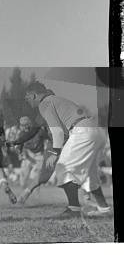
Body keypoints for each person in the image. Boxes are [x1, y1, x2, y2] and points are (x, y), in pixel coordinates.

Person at [24, 81, 112, 217]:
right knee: (90, 174)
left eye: (27, 97)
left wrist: (54, 152)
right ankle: (104, 209)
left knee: (62, 167)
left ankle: (74, 209)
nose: (27, 101)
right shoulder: (55, 100)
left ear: (34, 95)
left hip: (83, 131)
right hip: (96, 130)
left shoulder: (45, 103)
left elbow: (58, 132)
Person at [6, 116, 51, 204]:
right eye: (22, 125)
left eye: (26, 125)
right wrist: (19, 152)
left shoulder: (40, 132)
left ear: (30, 125)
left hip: (39, 157)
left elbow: (50, 138)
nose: (25, 127)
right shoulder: (21, 134)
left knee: (36, 178)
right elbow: (19, 146)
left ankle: (36, 199)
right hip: (28, 157)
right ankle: (23, 196)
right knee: (23, 180)